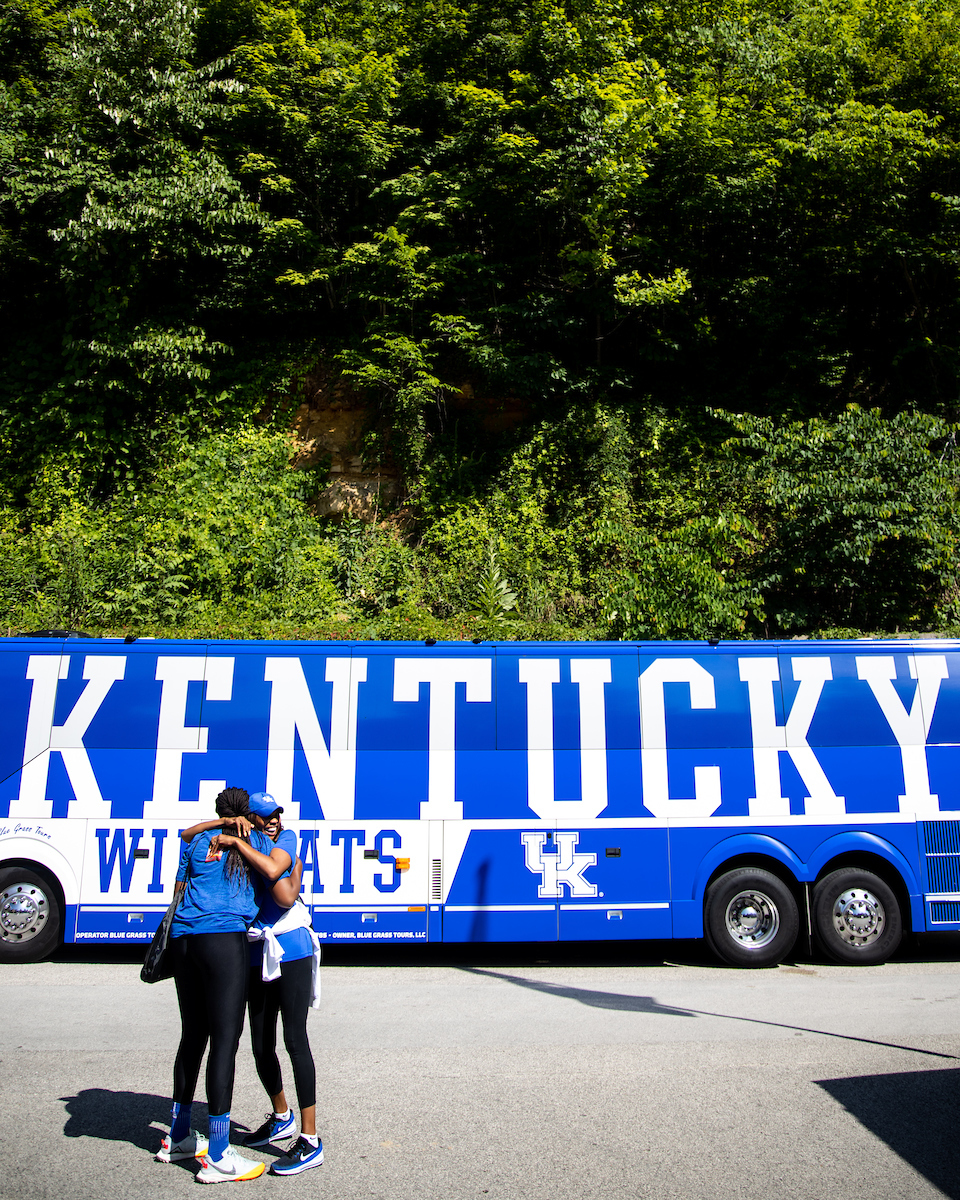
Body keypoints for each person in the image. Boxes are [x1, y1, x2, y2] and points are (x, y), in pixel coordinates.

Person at [156, 786, 295, 1184]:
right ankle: (218, 1153)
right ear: (248, 815)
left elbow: (179, 888)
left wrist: (216, 826)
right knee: (225, 1043)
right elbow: (275, 880)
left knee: (192, 1036)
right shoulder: (253, 840)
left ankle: (179, 1136)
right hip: (223, 937)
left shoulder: (199, 838)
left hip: (184, 940)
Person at [214, 791, 323, 1177]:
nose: (274, 819)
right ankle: (282, 1116)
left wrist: (242, 846)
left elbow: (280, 889)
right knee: (260, 1043)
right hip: (255, 951)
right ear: (249, 819)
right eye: (265, 815)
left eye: (277, 812)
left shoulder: (287, 840)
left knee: (295, 1039)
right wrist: (231, 837)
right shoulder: (246, 844)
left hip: (291, 949)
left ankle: (310, 1140)